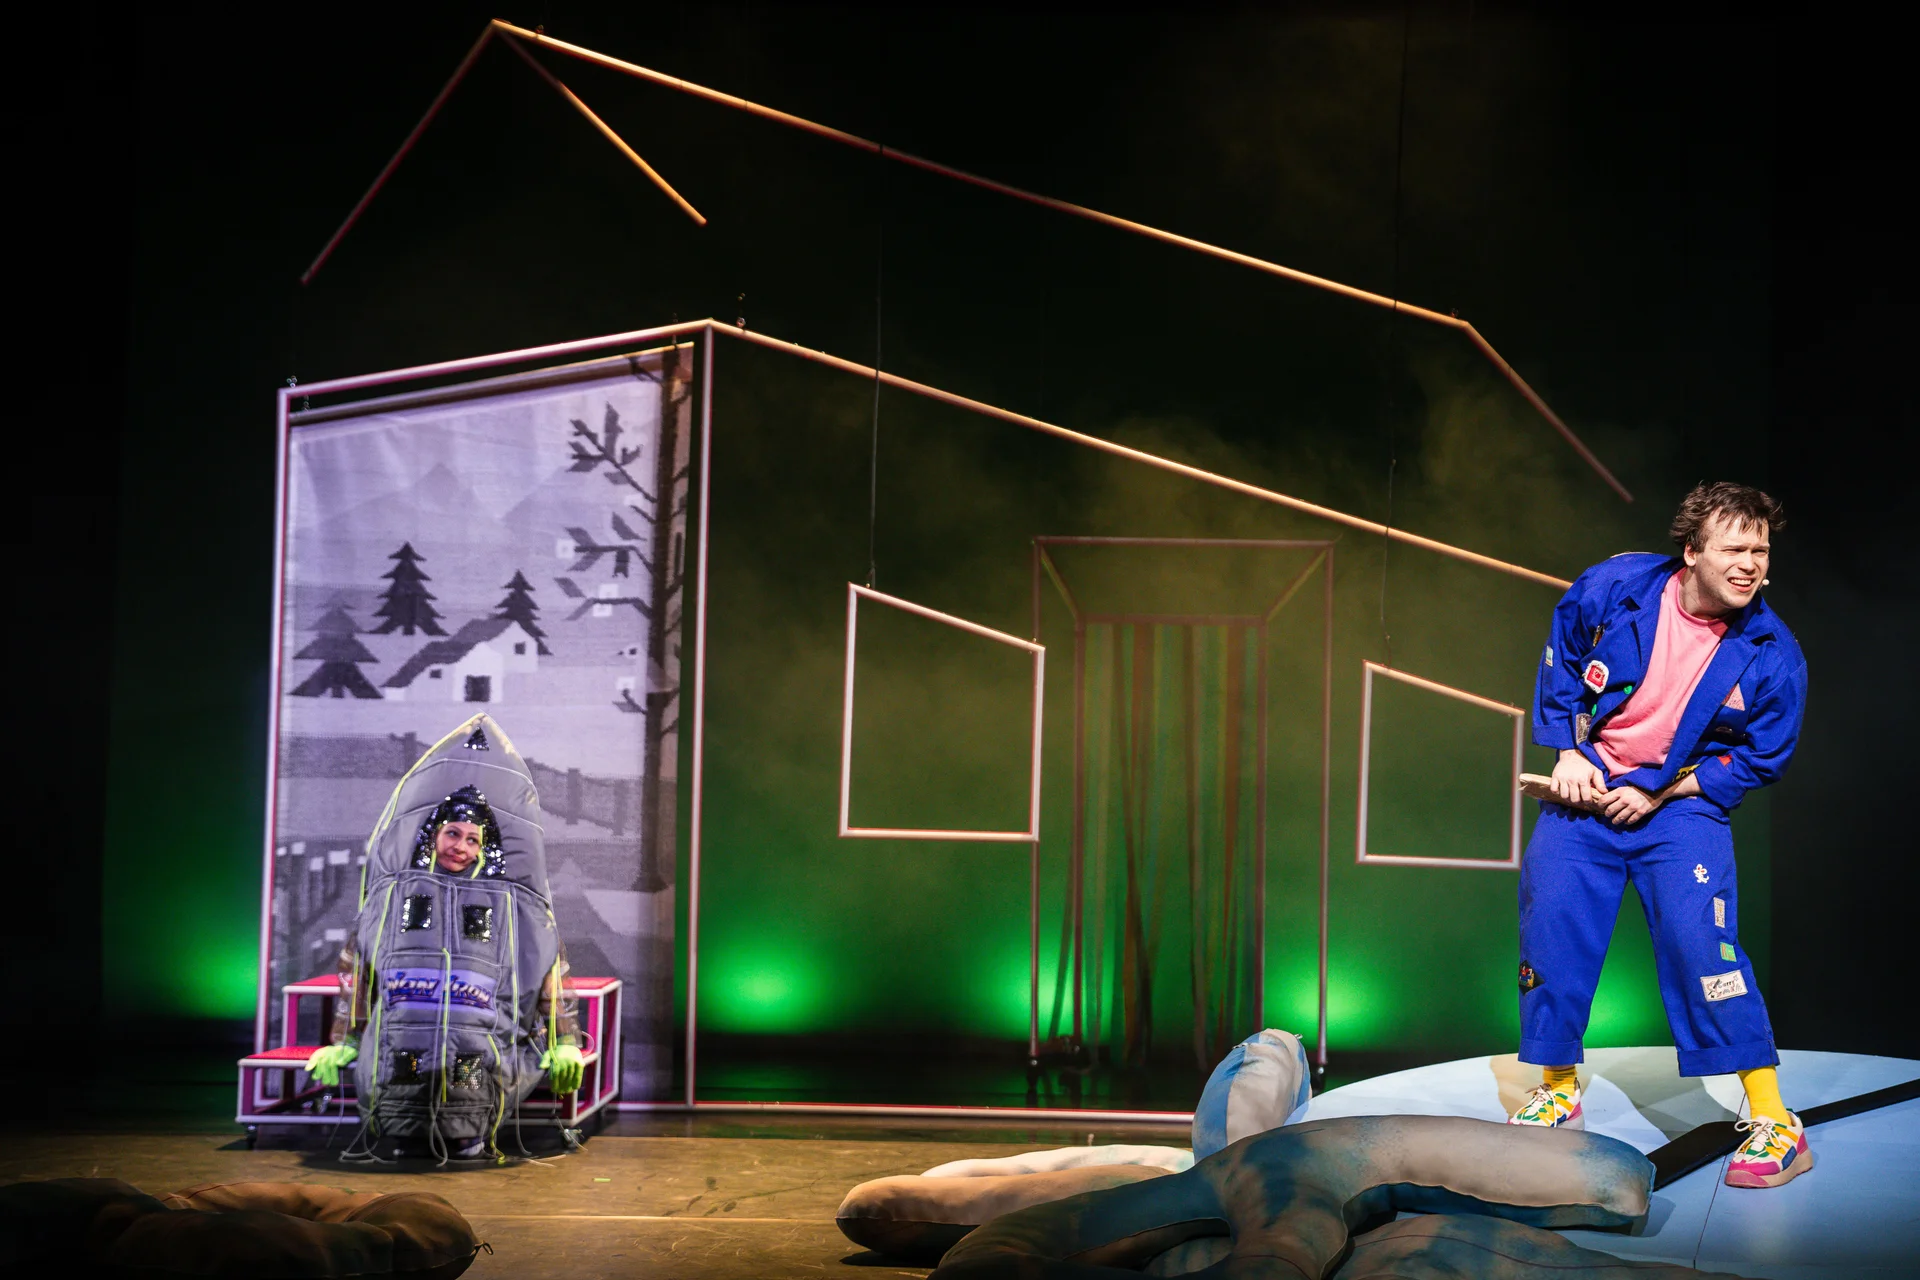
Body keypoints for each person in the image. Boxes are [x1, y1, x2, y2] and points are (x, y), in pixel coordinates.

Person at [1509, 482, 1810, 1190]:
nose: (1750, 565)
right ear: (1692, 551)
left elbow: (1763, 756)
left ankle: (1776, 1121)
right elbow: (1562, 659)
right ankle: (1558, 1087)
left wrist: (1661, 792)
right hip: (1588, 785)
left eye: (1761, 551)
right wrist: (1569, 752)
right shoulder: (1615, 587)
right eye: (1734, 549)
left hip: (1680, 806)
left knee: (1701, 944)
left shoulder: (1773, 653)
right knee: (1551, 927)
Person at [305, 716, 585, 1161]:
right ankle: (405, 1129)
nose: (461, 846)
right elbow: (358, 970)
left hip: (477, 1039)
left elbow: (549, 969)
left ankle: (466, 1132)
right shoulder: (398, 898)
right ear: (432, 834)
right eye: (453, 833)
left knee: (468, 1066)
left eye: (473, 839)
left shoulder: (508, 907)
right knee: (408, 1063)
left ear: (485, 848)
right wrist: (345, 1041)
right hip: (407, 1034)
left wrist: (565, 1041)